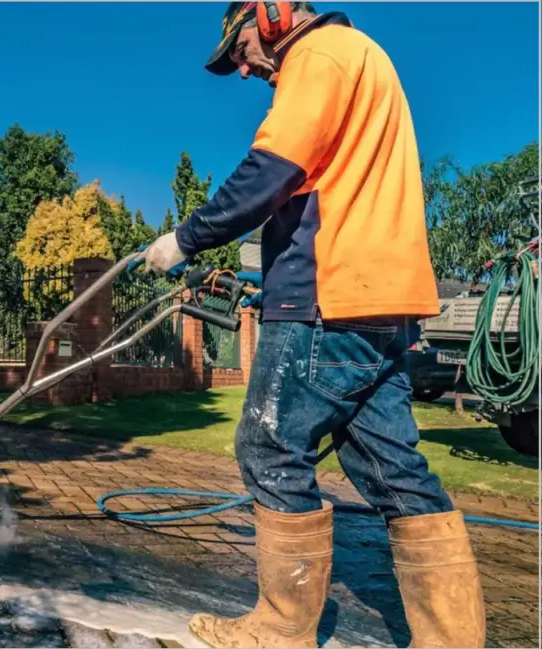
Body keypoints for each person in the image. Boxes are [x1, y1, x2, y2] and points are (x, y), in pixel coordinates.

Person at [142, 3, 486, 648]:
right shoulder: (366, 58)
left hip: (327, 296)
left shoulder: (317, 55)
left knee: (269, 447)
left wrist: (185, 239)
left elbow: (272, 170)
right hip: (379, 300)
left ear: (271, 14)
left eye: (238, 50)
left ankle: (279, 630)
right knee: (393, 468)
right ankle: (453, 639)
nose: (242, 70)